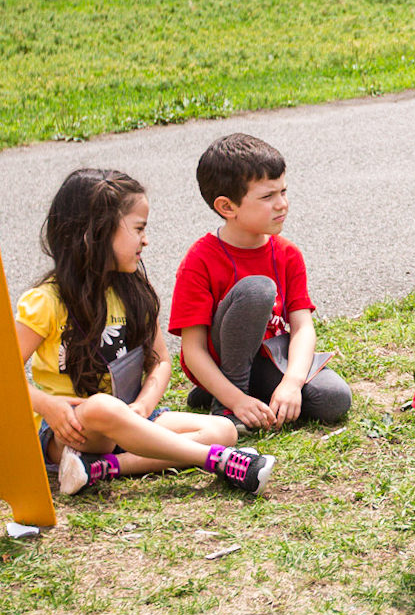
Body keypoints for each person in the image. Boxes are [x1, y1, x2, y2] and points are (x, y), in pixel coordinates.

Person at [16, 169, 274, 496]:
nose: (146, 239)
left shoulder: (135, 291)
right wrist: (48, 406)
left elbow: (160, 361)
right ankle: (216, 461)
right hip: (72, 431)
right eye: (138, 229)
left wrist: (142, 406)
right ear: (95, 233)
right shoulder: (46, 301)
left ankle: (100, 467)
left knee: (224, 430)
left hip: (130, 416)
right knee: (101, 407)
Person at [170, 134, 352, 431]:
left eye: (283, 191)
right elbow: (193, 351)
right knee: (258, 289)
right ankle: (227, 400)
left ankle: (223, 391)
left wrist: (292, 383)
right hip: (222, 362)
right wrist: (236, 400)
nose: (282, 204)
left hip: (269, 358)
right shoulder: (199, 260)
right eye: (268, 197)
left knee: (334, 399)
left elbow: (302, 327)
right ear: (227, 207)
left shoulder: (288, 254)